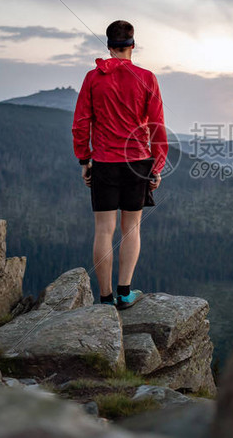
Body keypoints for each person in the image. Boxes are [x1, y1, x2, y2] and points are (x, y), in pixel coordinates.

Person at [72, 20, 168, 310]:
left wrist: (84, 160)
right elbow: (157, 126)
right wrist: (157, 166)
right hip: (137, 162)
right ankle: (124, 293)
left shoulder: (93, 78)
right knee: (131, 229)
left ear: (109, 46)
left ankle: (104, 298)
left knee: (103, 231)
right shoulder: (146, 78)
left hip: (103, 162)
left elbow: (80, 124)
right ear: (132, 45)